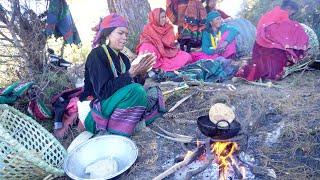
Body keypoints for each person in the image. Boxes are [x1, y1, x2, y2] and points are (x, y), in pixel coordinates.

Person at [81, 14, 166, 136]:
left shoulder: (124, 59)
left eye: (126, 34)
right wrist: (130, 74)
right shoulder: (97, 55)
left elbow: (129, 86)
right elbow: (103, 92)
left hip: (119, 104)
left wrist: (141, 74)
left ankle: (128, 122)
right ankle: (118, 128)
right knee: (138, 91)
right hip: (100, 113)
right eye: (120, 33)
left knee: (154, 91)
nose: (124, 38)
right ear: (108, 34)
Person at [237, 0, 309, 81]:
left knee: (258, 66)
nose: (291, 15)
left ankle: (248, 72)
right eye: (292, 12)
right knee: (296, 28)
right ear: (288, 8)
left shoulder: (268, 14)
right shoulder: (283, 15)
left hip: (258, 46)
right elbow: (284, 34)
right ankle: (269, 75)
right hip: (270, 48)